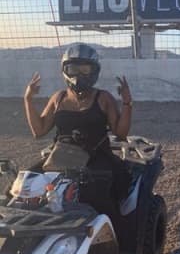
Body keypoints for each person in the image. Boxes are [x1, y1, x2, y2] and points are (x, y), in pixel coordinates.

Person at [24, 43, 133, 213]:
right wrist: (28, 100)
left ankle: (112, 235)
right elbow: (39, 130)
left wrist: (127, 103)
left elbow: (121, 132)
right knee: (25, 187)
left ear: (94, 71)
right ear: (65, 70)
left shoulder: (103, 98)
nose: (79, 75)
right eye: (74, 69)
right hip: (61, 156)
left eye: (85, 70)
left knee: (102, 199)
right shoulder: (58, 98)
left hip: (96, 157)